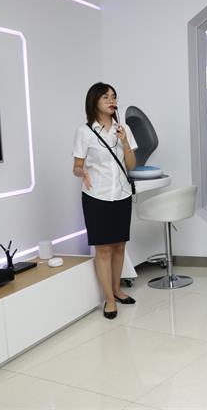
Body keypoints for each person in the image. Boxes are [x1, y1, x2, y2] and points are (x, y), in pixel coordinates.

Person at [72, 82, 138, 320]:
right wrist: (81, 172)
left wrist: (125, 142)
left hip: (121, 194)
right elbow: (77, 166)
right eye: (106, 97)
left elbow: (131, 166)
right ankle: (109, 299)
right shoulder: (85, 132)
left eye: (114, 97)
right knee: (103, 249)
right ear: (94, 102)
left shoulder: (123, 128)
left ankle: (118, 289)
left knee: (119, 246)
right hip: (96, 196)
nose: (112, 101)